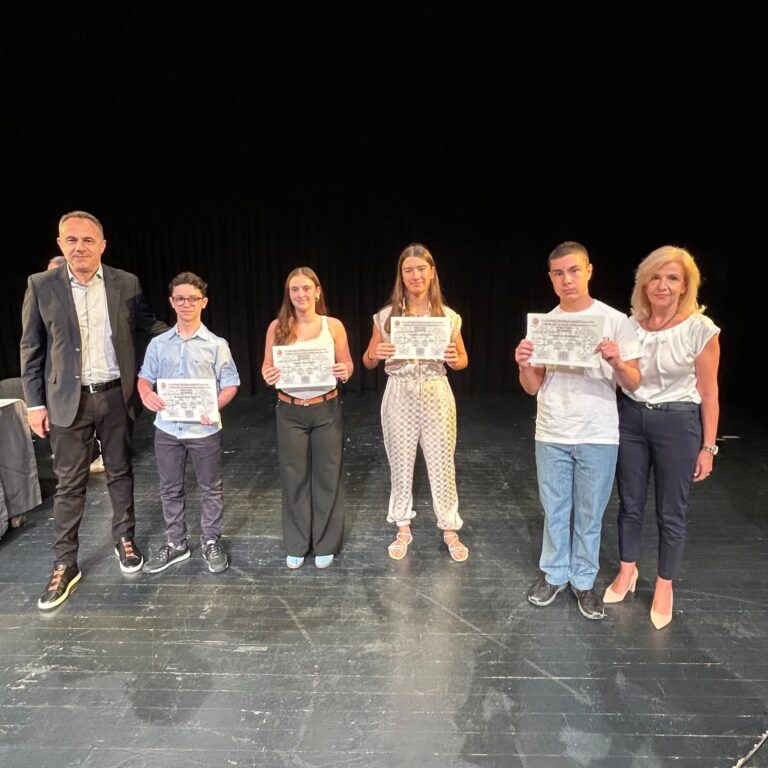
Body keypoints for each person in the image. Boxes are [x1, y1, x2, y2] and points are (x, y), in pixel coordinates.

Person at [20, 210, 166, 610]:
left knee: (120, 471)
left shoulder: (126, 283)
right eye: (71, 239)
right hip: (67, 402)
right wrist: (35, 404)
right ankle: (65, 562)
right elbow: (31, 349)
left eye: (88, 240)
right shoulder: (41, 285)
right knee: (69, 485)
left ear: (103, 245)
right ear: (60, 244)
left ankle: (125, 537)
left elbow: (147, 326)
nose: (79, 247)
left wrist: (189, 336)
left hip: (116, 396)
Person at [514, 241, 641, 620]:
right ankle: (554, 574)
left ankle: (584, 581)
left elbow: (633, 382)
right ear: (551, 278)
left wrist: (617, 361)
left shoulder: (615, 321)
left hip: (598, 433)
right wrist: (523, 364)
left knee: (590, 515)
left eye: (573, 270)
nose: (566, 279)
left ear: (589, 271)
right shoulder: (544, 325)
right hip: (552, 431)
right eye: (559, 273)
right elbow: (532, 386)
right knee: (554, 510)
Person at [603, 246, 720, 629]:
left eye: (672, 278)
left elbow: (709, 392)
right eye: (655, 277)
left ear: (685, 286)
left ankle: (665, 585)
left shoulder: (700, 329)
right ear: (644, 282)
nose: (662, 285)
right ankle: (627, 569)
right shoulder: (630, 326)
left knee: (671, 511)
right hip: (631, 419)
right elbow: (620, 378)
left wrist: (708, 446)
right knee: (630, 503)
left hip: (678, 423)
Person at [362, 243, 469, 562]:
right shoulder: (386, 316)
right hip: (400, 391)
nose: (415, 275)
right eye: (408, 270)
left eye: (421, 269)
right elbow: (367, 360)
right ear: (401, 275)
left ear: (432, 272)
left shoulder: (448, 317)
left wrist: (454, 358)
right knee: (400, 462)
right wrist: (375, 353)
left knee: (442, 462)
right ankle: (402, 526)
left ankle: (449, 528)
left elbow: (462, 360)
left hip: (436, 392)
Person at [137, 272, 240, 574]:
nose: (186, 304)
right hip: (167, 429)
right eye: (180, 299)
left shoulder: (216, 344)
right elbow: (144, 378)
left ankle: (211, 541)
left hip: (203, 429)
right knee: (170, 489)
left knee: (211, 489)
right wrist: (146, 394)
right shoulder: (158, 344)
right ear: (172, 302)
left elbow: (230, 383)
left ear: (203, 302)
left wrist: (214, 406)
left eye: (192, 299)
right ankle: (176, 543)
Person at [261, 267, 353, 569]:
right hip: (289, 410)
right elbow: (267, 366)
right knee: (294, 477)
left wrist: (345, 371)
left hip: (326, 408)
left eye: (305, 288)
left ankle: (326, 543)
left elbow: (348, 363)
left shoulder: (333, 326)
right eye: (294, 289)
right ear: (289, 294)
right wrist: (269, 374)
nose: (300, 294)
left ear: (317, 291)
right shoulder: (277, 327)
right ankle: (297, 544)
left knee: (328, 475)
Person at [46, 255, 105, 474]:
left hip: (101, 383)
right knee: (70, 474)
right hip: (64, 388)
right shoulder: (45, 297)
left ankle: (99, 454)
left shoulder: (98, 297)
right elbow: (32, 347)